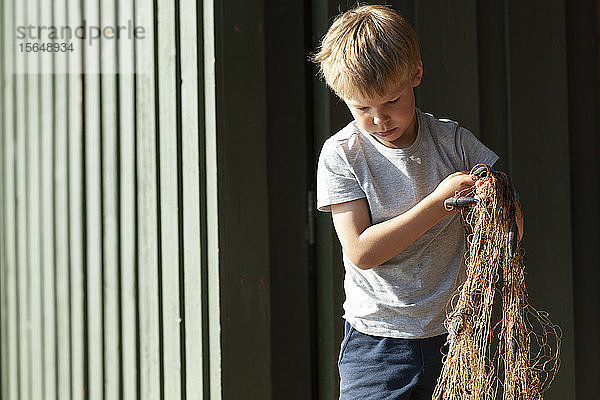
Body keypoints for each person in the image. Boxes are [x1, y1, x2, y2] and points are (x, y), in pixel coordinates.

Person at [314, 5, 522, 399]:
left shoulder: (454, 142)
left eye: (392, 101)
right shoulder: (342, 154)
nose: (379, 119)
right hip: (379, 344)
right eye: (362, 108)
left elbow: (512, 229)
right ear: (342, 97)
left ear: (417, 75)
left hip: (458, 337)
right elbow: (360, 251)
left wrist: (497, 204)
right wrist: (440, 202)